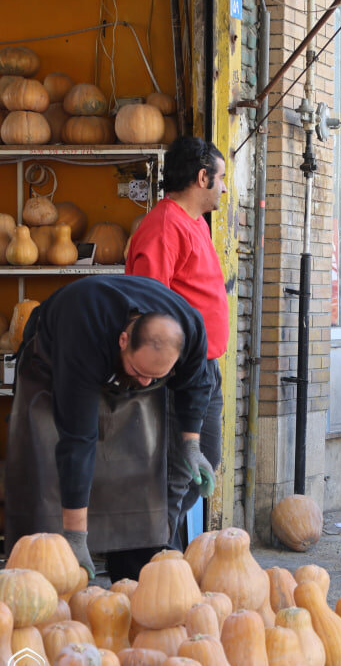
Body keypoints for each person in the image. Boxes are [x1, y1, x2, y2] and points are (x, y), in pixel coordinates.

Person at [5, 275, 212, 580]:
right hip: (52, 367)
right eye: (140, 372)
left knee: (137, 473)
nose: (145, 383)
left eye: (155, 377)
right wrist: (74, 537)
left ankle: (131, 574)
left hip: (110, 353)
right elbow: (78, 439)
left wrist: (191, 445)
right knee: (47, 473)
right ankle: (44, 571)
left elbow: (196, 385)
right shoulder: (82, 332)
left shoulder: (189, 328)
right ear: (123, 340)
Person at [126, 136, 230, 552]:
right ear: (202, 177)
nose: (224, 188)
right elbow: (148, 303)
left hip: (204, 370)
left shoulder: (194, 224)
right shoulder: (165, 224)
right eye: (221, 178)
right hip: (180, 374)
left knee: (203, 467)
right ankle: (151, 562)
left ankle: (156, 552)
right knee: (176, 473)